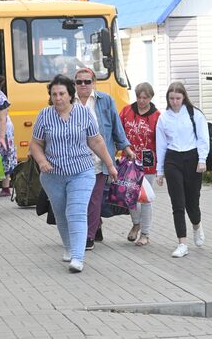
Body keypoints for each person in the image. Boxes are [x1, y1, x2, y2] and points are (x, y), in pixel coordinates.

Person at [30, 74, 118, 273]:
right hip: (53, 175)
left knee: (76, 212)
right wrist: (42, 161)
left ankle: (78, 257)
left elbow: (96, 141)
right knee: (61, 214)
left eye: (62, 94)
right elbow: (36, 144)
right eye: (54, 94)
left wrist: (110, 165)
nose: (58, 98)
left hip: (82, 172)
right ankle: (69, 248)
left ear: (70, 95)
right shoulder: (45, 115)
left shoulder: (84, 114)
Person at [74, 68, 134, 250]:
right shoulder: (69, 101)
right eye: (79, 82)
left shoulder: (105, 101)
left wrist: (126, 147)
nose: (83, 85)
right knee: (80, 199)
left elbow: (116, 126)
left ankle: (88, 237)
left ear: (93, 83)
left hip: (99, 159)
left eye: (87, 81)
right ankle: (96, 225)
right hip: (75, 160)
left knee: (94, 199)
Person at [156, 82, 209, 258]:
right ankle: (182, 243)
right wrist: (160, 171)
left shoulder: (195, 114)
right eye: (171, 98)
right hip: (173, 159)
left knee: (192, 201)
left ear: (184, 97)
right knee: (177, 202)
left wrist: (202, 159)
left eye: (178, 98)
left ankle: (196, 224)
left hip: (192, 157)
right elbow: (161, 145)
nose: (175, 102)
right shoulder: (164, 118)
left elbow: (203, 138)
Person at [119, 82, 161, 246]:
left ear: (151, 98)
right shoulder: (126, 111)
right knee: (130, 196)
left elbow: (161, 140)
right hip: (129, 160)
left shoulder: (157, 116)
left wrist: (161, 167)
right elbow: (119, 132)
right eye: (139, 97)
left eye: (145, 98)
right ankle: (136, 223)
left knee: (145, 198)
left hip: (148, 161)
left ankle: (145, 233)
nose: (142, 101)